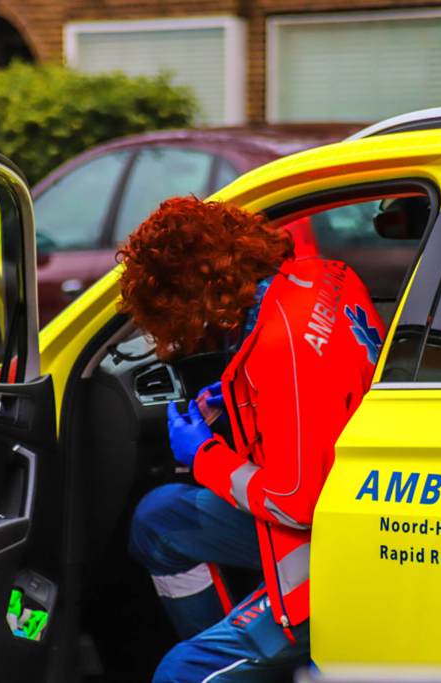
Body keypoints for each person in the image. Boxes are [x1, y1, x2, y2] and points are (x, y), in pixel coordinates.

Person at [120, 197, 386, 683]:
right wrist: (236, 395)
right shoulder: (323, 275)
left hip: (338, 555)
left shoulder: (279, 349)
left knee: (180, 674)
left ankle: (238, 660)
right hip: (352, 502)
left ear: (190, 295)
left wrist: (203, 454)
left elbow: (293, 503)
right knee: (158, 521)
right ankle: (239, 662)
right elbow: (325, 388)